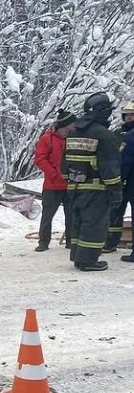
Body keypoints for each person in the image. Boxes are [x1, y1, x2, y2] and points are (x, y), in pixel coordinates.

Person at [60, 92, 123, 271]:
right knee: (95, 224)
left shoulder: (73, 134)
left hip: (74, 187)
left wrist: (70, 181)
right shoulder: (103, 135)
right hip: (96, 189)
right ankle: (88, 261)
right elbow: (109, 167)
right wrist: (116, 190)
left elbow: (64, 163)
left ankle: (78, 257)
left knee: (78, 222)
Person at [33, 109, 77, 252]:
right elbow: (40, 159)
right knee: (47, 215)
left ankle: (71, 241)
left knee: (72, 214)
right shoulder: (46, 139)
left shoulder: (73, 139)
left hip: (70, 184)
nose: (75, 126)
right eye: (72, 124)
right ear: (66, 125)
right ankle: (43, 242)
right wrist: (53, 174)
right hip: (52, 185)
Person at [104, 101, 134, 254]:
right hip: (119, 178)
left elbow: (126, 160)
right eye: (127, 114)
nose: (129, 117)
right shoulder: (117, 133)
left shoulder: (130, 136)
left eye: (132, 114)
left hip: (128, 179)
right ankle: (110, 242)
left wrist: (121, 179)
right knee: (115, 212)